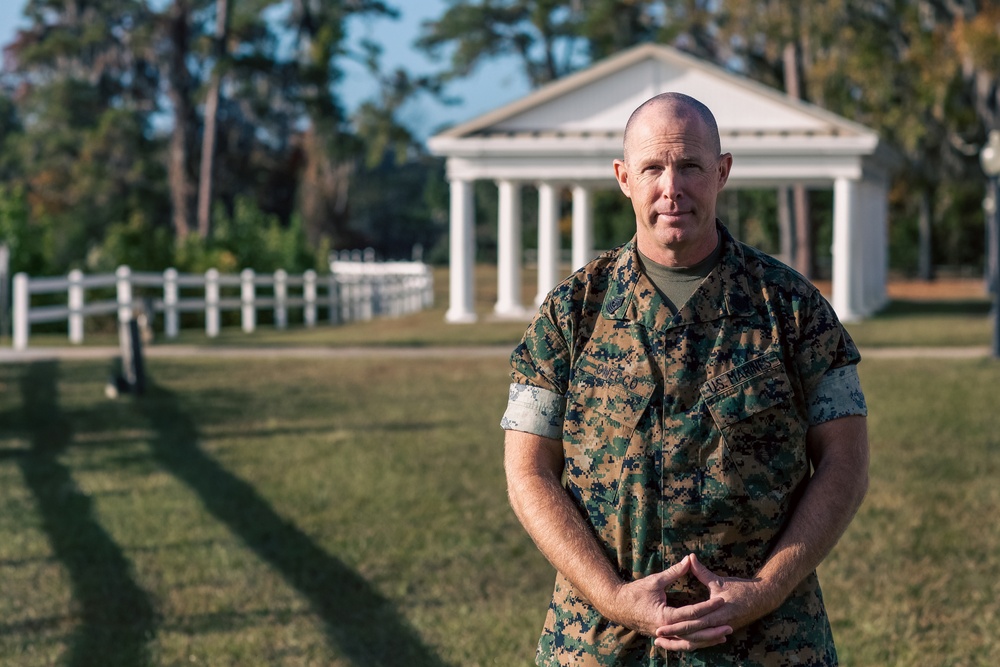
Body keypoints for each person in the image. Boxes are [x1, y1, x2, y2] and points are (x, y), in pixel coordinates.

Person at [500, 92, 870, 666]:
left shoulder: (793, 309)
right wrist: (615, 598)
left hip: (766, 644)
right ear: (624, 178)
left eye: (690, 166)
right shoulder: (571, 313)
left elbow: (846, 460)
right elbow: (528, 469)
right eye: (652, 167)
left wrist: (768, 588)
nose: (671, 187)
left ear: (721, 171)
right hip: (602, 643)